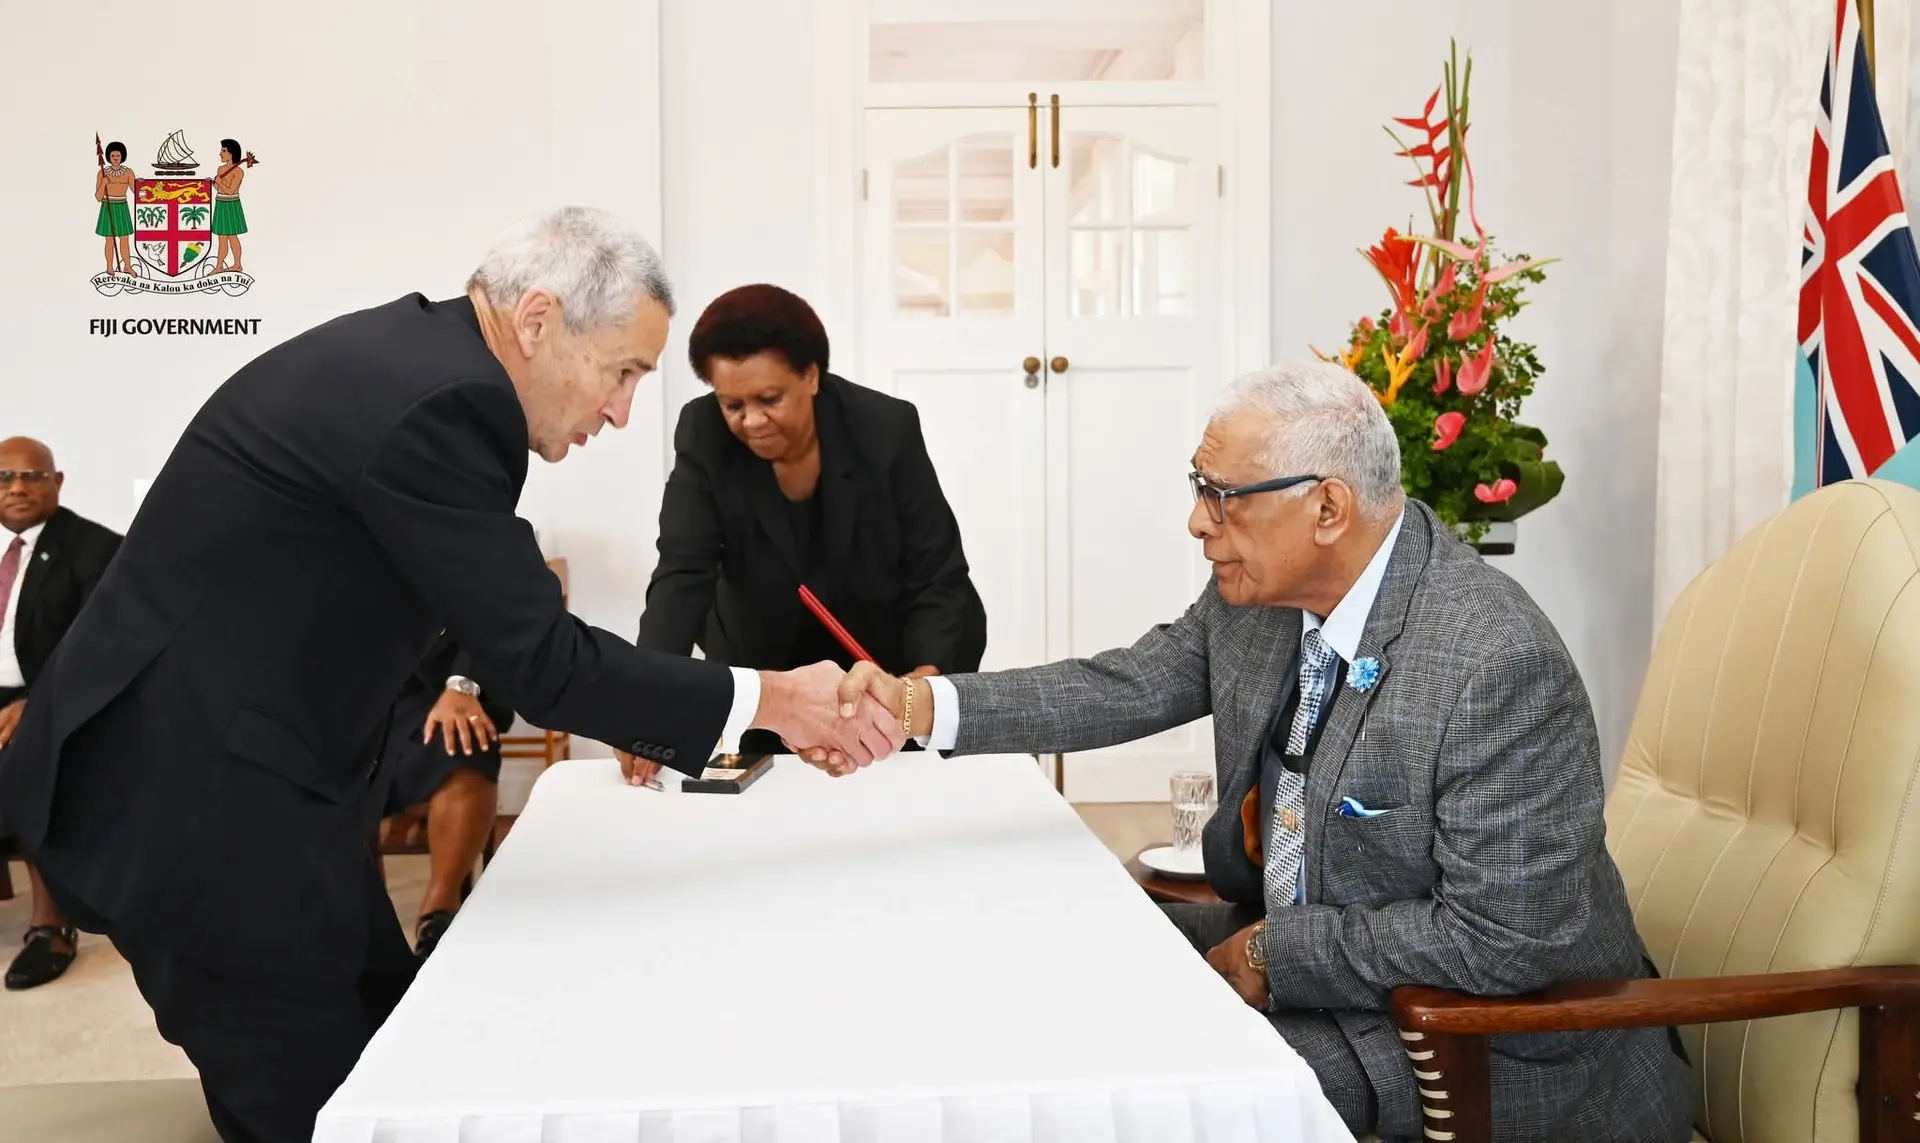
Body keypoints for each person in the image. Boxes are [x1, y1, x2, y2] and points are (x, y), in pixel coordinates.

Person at [0, 206, 895, 1143]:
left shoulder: (421, 363)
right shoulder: (444, 402)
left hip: (278, 784)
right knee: (323, 1113)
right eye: (623, 371)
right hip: (192, 806)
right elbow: (541, 660)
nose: (622, 410)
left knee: (402, 1061)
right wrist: (772, 698)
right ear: (539, 320)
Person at [833, 361, 1696, 1141]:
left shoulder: (1493, 661)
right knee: (1057, 941)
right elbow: (1121, 686)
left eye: (1223, 495)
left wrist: (1274, 955)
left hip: (1482, 1041)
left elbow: (1504, 941)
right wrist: (918, 705)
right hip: (1330, 964)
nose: (1196, 521)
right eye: (1199, 488)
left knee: (1134, 1090)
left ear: (1327, 508)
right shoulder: (1258, 598)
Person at [633, 283, 984, 763]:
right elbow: (681, 574)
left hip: (884, 658)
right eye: (733, 405)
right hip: (765, 662)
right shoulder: (702, 432)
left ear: (812, 376)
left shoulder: (885, 429)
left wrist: (916, 692)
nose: (752, 421)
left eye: (770, 399)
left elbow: (937, 573)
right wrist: (647, 704)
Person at [0, 438, 122, 990]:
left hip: (52, 698)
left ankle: (51, 924)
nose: (17, 488)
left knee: (22, 762)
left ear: (57, 481)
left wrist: (38, 702)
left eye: (31, 476)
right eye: (5, 478)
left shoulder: (94, 549)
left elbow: (101, 646)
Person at [371, 630, 514, 961]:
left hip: (447, 682)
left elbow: (493, 614)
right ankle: (366, 921)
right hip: (361, 688)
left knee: (464, 743)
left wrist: (463, 684)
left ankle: (439, 911)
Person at [95, 141, 135, 275]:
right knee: (109, 240)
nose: (116, 158)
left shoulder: (128, 172)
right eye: (113, 156)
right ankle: (109, 267)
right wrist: (103, 184)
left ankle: (127, 266)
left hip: (122, 207)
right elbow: (98, 197)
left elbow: (136, 191)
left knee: (124, 239)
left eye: (118, 155)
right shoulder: (102, 173)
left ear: (122, 156)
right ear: (108, 157)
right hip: (108, 207)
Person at [211, 138, 247, 273]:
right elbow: (219, 189)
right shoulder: (220, 169)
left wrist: (219, 182)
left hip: (231, 205)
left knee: (232, 236)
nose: (220, 154)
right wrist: (213, 183)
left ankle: (237, 264)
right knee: (221, 238)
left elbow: (231, 190)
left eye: (223, 151)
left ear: (231, 153)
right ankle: (219, 266)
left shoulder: (238, 172)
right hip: (220, 203)